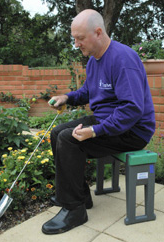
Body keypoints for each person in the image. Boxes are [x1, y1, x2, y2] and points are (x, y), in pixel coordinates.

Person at [42, 9, 155, 235]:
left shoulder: (123, 59)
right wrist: (67, 97)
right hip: (108, 121)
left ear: (98, 32)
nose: (76, 44)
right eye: (74, 38)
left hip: (133, 130)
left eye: (80, 38)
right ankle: (81, 196)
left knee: (69, 138)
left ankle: (74, 209)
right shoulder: (94, 61)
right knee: (57, 133)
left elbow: (132, 109)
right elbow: (87, 92)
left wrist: (95, 130)